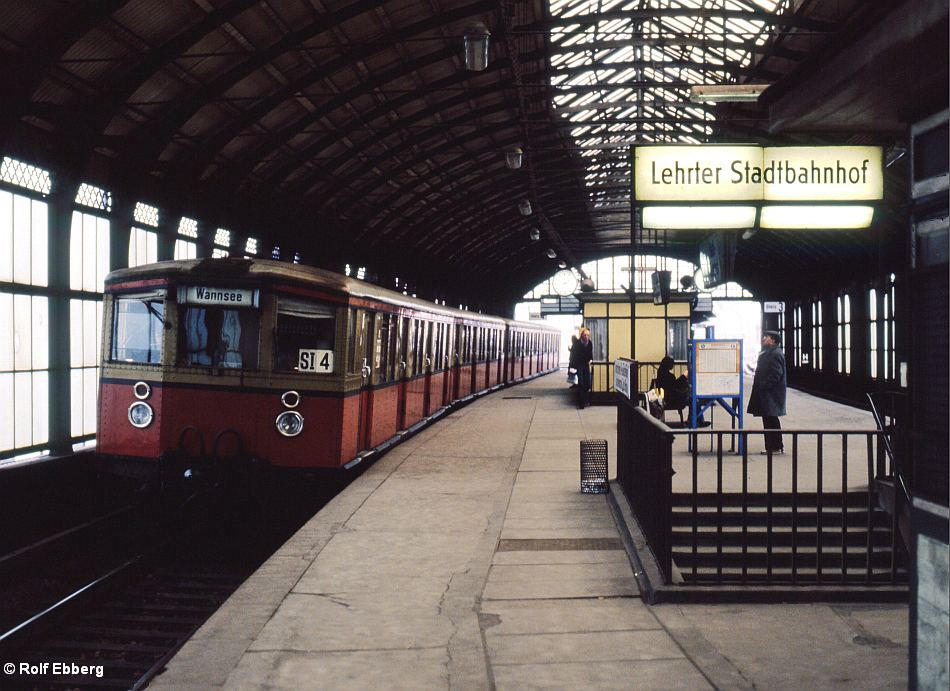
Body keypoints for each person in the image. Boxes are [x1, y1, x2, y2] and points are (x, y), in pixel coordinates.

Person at [747, 330, 787, 454]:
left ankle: (774, 447)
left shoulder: (775, 354)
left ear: (773, 340)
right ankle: (774, 446)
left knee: (771, 420)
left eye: (767, 337)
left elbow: (777, 373)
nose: (763, 338)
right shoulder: (770, 352)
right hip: (768, 393)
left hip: (771, 394)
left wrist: (765, 385)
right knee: (770, 419)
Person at [656, 356, 707, 426]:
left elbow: (673, 385)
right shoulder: (668, 376)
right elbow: (675, 385)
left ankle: (694, 419)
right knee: (694, 400)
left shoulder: (661, 373)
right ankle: (697, 420)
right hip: (672, 399)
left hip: (667, 397)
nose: (673, 366)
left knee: (692, 399)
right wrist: (683, 376)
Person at [575, 327, 594, 408]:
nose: (586, 337)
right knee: (581, 384)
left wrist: (591, 360)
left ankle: (585, 399)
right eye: (585, 335)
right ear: (582, 335)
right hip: (580, 365)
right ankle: (581, 403)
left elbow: (590, 354)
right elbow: (575, 355)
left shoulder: (589, 343)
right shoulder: (578, 343)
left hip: (586, 365)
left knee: (588, 384)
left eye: (588, 335)